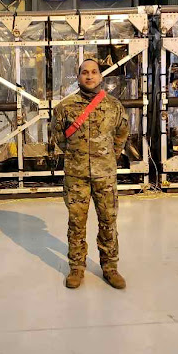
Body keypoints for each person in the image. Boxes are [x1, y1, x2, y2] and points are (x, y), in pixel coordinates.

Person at [50, 58, 130, 289]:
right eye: (85, 72)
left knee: (108, 221)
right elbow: (58, 137)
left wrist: (108, 157)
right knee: (76, 222)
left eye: (94, 72)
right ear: (78, 77)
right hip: (76, 176)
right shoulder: (65, 107)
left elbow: (122, 134)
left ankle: (110, 267)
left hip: (105, 175)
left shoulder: (114, 106)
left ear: (101, 76)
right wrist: (77, 157)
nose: (89, 76)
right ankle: (76, 268)